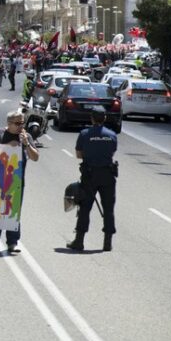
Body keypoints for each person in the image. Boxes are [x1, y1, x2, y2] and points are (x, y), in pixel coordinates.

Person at [0, 109, 39, 254]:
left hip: (17, 181)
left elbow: (35, 157)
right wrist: (8, 146)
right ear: (8, 123)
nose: (21, 126)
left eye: (23, 122)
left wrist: (26, 144)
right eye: (17, 123)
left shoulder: (26, 136)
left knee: (13, 212)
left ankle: (12, 242)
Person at [68, 106, 118, 252]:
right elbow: (112, 152)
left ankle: (79, 241)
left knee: (85, 208)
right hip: (108, 175)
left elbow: (78, 154)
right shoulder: (112, 135)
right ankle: (107, 242)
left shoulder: (84, 134)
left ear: (91, 118)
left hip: (89, 175)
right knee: (108, 209)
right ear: (105, 118)